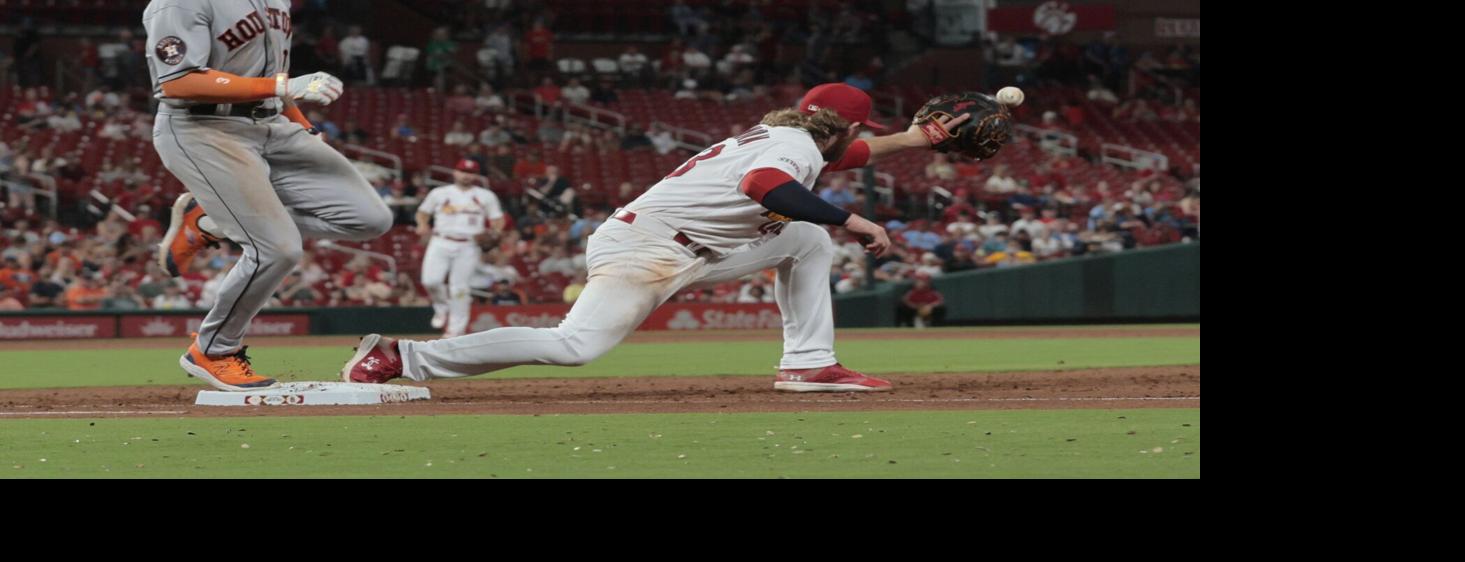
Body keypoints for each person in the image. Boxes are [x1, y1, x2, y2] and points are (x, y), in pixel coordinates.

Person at [342, 83, 971, 392]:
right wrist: (852, 219)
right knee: (573, 347)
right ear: (841, 125)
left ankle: (808, 365)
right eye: (859, 131)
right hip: (647, 249)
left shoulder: (792, 137)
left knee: (805, 242)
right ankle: (400, 356)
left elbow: (845, 154)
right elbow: (765, 186)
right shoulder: (786, 150)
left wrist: (915, 140)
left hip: (693, 248)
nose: (858, 142)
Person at [145, 0, 392, 390]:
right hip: (203, 129)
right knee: (278, 248)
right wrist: (279, 86)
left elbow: (270, 74)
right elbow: (178, 81)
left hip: (272, 122)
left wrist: (302, 125)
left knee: (369, 219)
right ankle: (214, 350)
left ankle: (209, 223)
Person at [415, 159, 506, 337]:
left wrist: (495, 231)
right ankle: (441, 307)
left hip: (469, 245)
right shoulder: (440, 193)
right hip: (441, 240)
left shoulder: (486, 195)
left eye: (471, 172)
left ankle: (455, 331)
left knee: (460, 289)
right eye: (463, 171)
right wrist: (422, 224)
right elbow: (423, 212)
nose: (466, 175)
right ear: (455, 173)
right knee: (430, 281)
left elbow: (497, 218)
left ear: (476, 175)